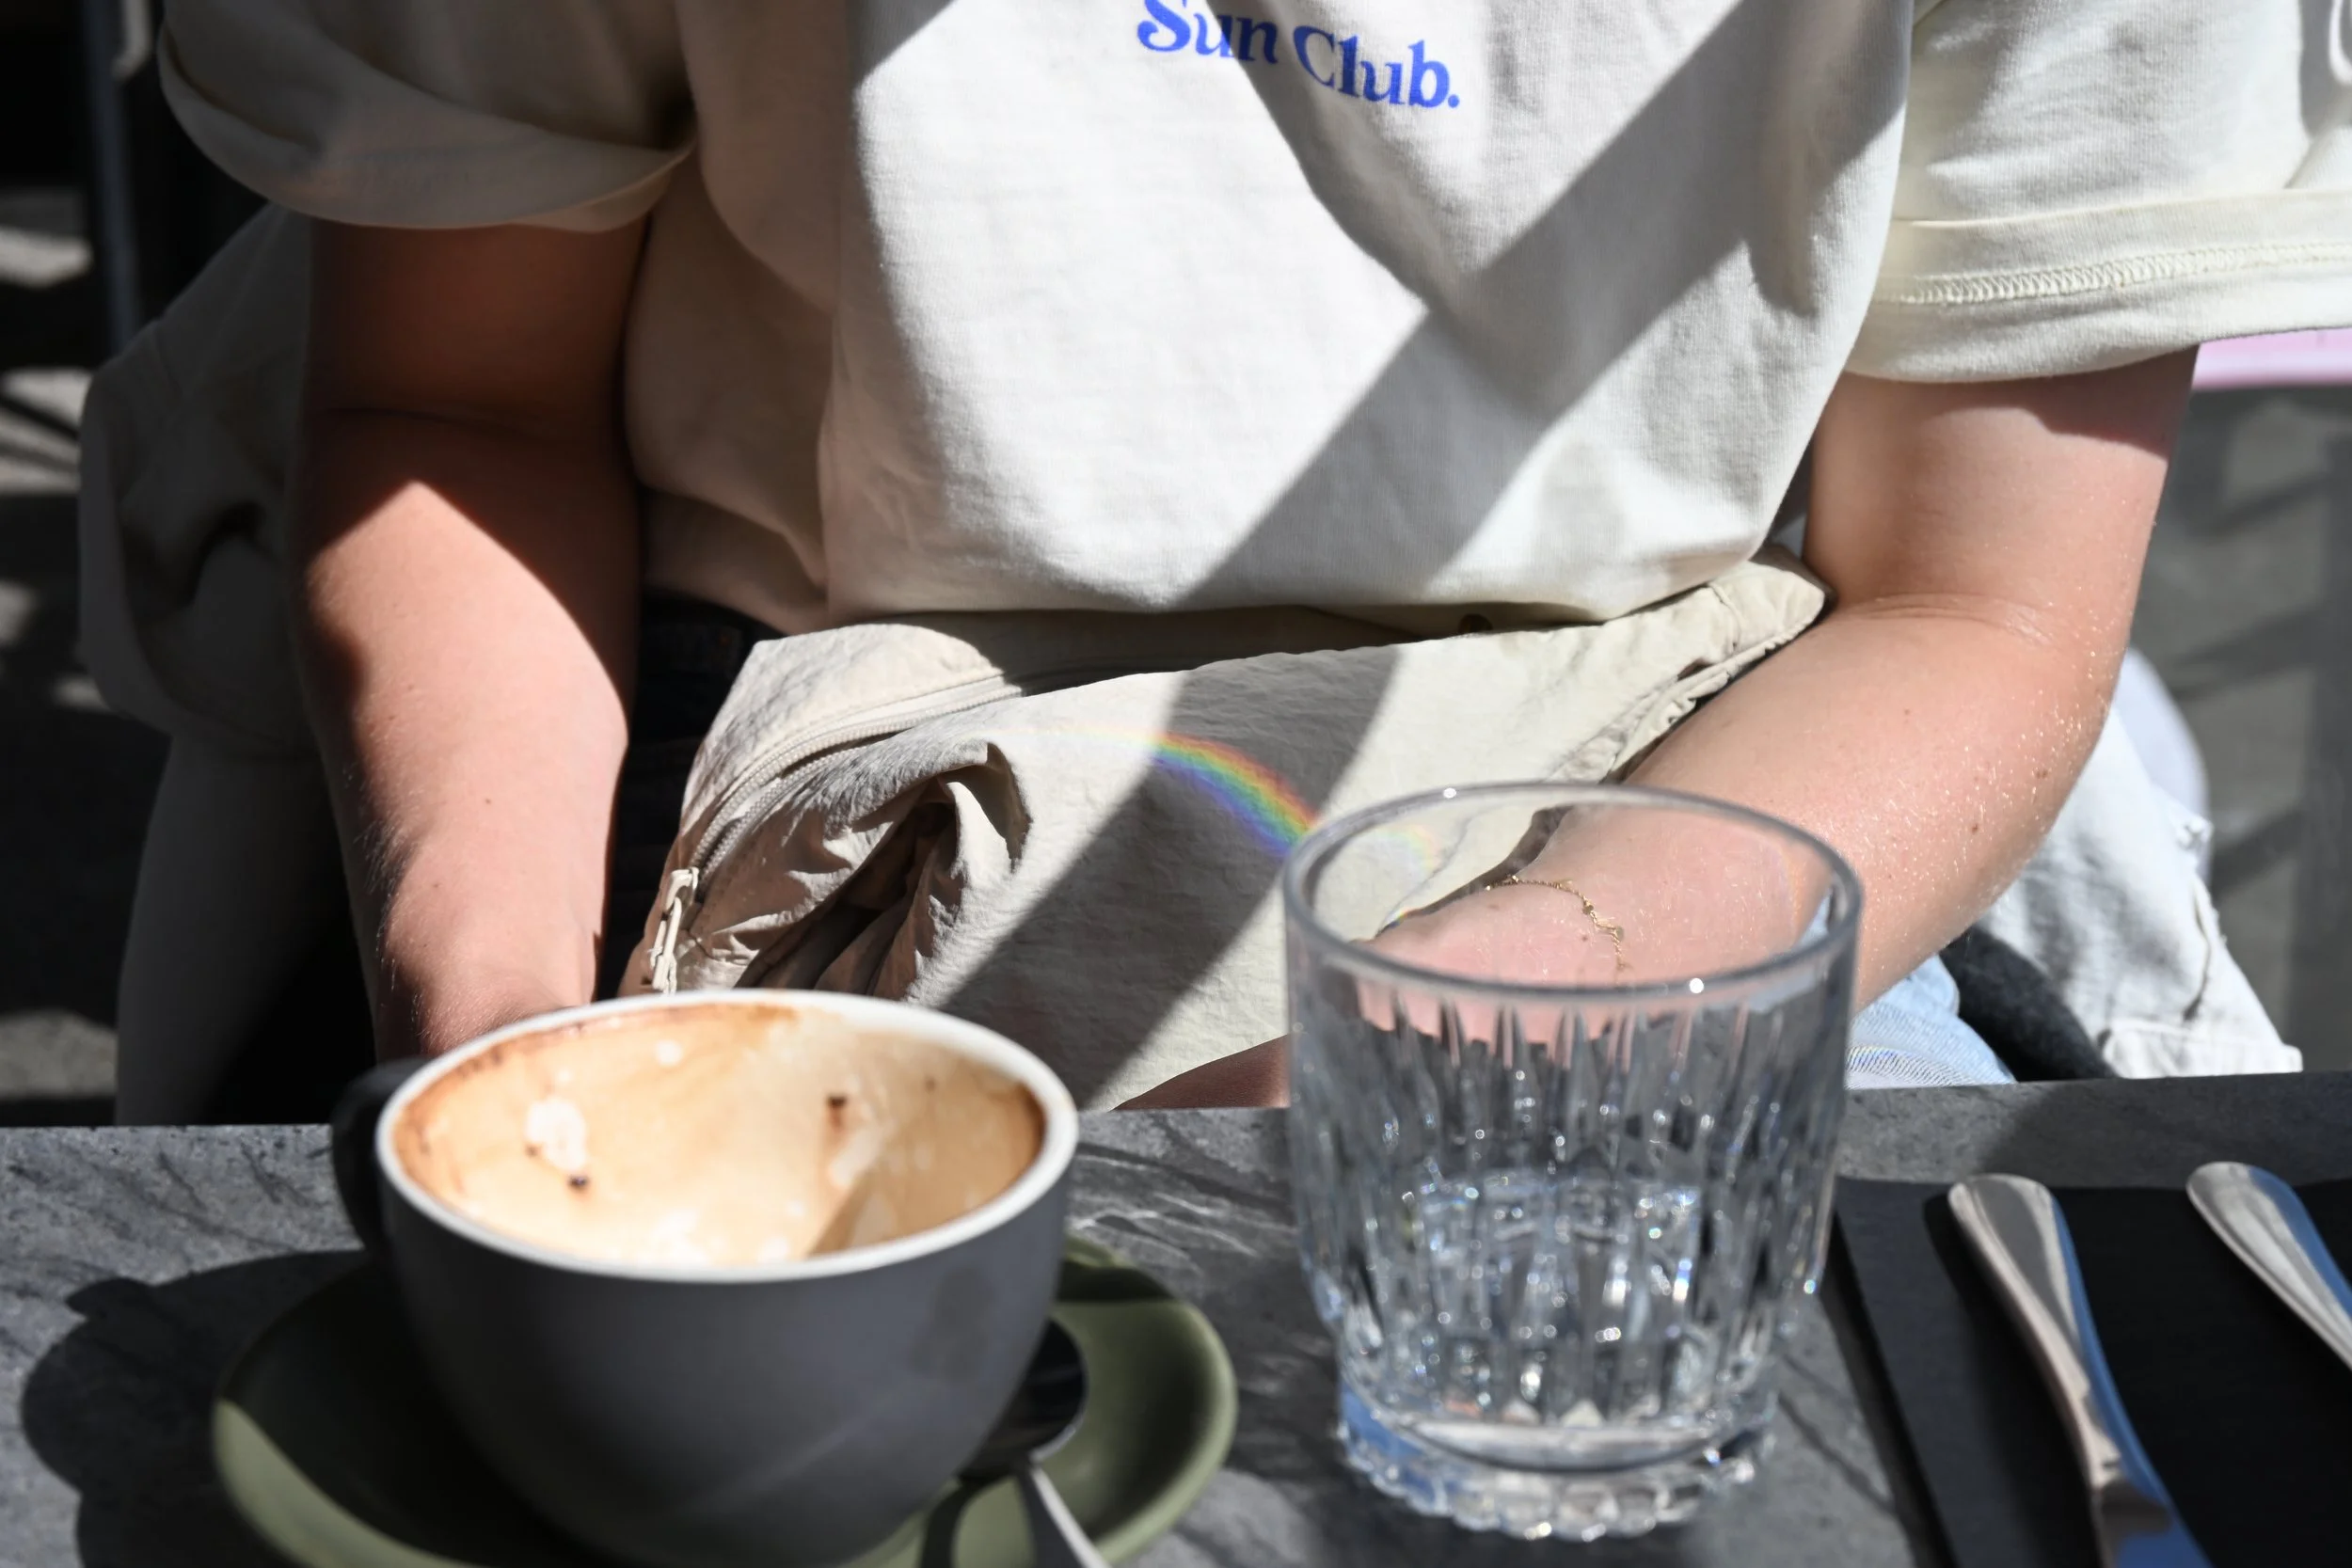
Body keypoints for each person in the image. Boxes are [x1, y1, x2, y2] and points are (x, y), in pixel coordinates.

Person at [85, 1, 2341, 1120]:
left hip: (1668, 763)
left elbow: (1982, 601)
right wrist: (498, 1025)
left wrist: (1370, 1098)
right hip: (722, 717)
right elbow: (464, 413)